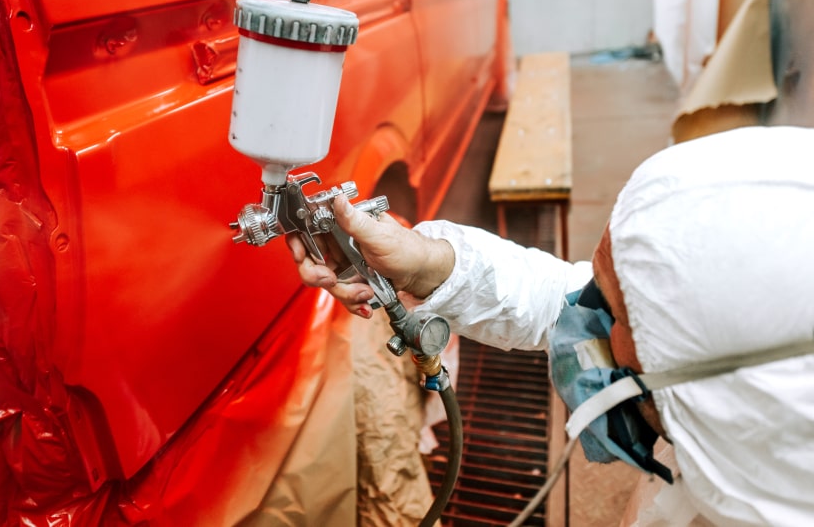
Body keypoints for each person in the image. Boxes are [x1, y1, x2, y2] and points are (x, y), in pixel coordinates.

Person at [287, 126, 814, 527]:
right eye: (601, 288)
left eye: (616, 315)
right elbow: (561, 302)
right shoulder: (743, 425)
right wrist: (429, 264)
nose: (585, 320)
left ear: (725, 397)